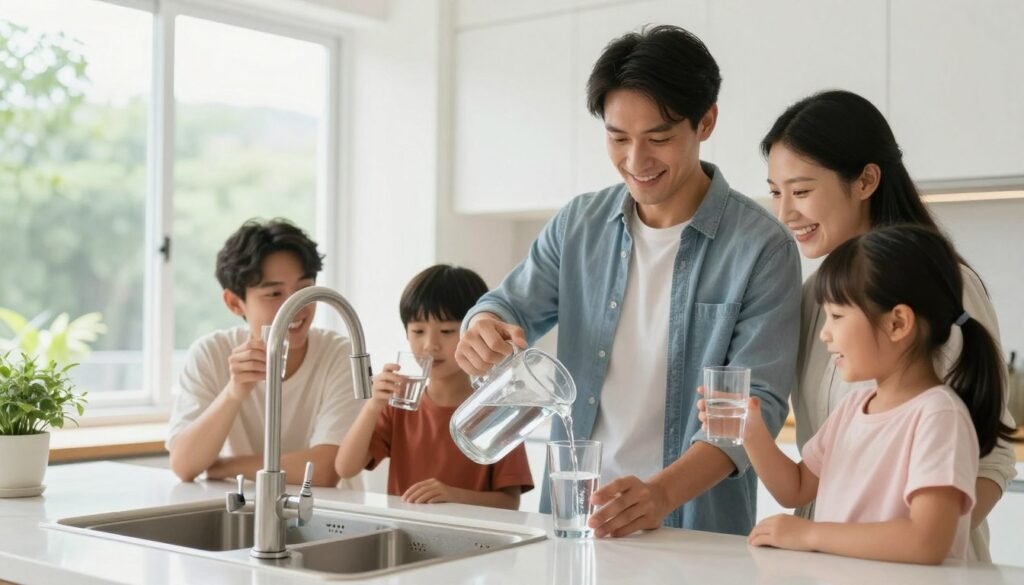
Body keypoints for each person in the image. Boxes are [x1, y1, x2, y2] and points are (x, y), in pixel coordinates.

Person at [455, 25, 801, 536]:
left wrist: (660, 495)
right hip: (574, 522)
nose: (636, 162)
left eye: (658, 139)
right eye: (618, 138)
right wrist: (483, 325)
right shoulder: (579, 225)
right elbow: (507, 304)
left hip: (692, 532)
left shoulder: (762, 247)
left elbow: (759, 409)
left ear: (706, 121)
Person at [763, 89, 1018, 559]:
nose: (785, 213)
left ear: (865, 181)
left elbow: (995, 458)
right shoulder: (814, 296)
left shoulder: (943, 287)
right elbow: (807, 477)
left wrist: (922, 543)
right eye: (776, 192)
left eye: (801, 192)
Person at [706, 225, 1015, 563]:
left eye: (837, 316)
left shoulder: (939, 416)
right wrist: (751, 432)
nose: (824, 334)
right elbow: (795, 488)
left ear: (897, 323)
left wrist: (809, 534)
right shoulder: (853, 408)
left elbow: (927, 541)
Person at [167, 219, 362, 487]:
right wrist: (234, 392)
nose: (295, 307)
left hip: (327, 508)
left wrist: (224, 467)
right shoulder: (211, 353)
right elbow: (184, 465)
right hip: (247, 504)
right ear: (234, 303)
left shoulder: (339, 354)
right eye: (274, 294)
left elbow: (325, 470)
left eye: (304, 289)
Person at [335, 264, 533, 510]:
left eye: (447, 331)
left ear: (474, 333)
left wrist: (452, 495)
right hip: (404, 529)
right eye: (418, 331)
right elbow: (345, 468)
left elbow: (509, 503)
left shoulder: (499, 410)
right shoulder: (400, 405)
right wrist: (373, 406)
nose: (430, 345)